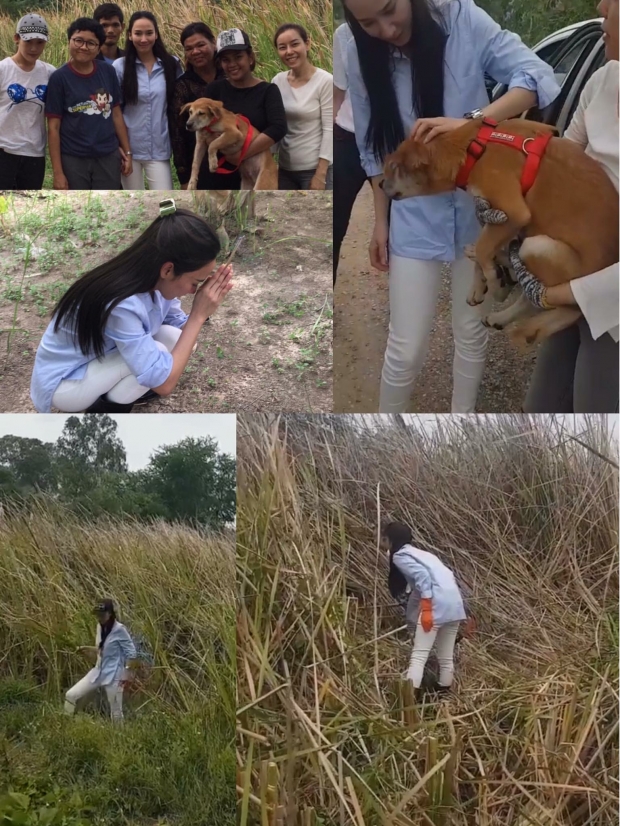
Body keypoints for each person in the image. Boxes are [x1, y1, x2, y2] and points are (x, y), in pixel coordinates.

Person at [344, 0, 560, 413]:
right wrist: (380, 220)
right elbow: (372, 142)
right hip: (414, 211)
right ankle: (388, 430)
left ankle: (463, 426)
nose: (386, 30)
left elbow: (536, 75)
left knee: (470, 330)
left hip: (480, 209)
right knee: (405, 346)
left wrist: (474, 121)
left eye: (391, 11)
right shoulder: (355, 49)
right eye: (368, 22)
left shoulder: (461, 18)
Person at [499, 0, 618, 413]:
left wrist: (551, 295)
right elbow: (560, 163)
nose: (602, 6)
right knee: (541, 410)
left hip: (611, 304)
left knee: (595, 417)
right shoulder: (604, 79)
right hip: (581, 266)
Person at [30, 200, 233, 414]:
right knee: (160, 355)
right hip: (67, 381)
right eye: (195, 282)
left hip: (101, 357)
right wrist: (198, 316)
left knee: (176, 340)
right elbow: (164, 385)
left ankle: (119, 393)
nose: (194, 291)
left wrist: (205, 306)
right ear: (168, 270)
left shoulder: (154, 280)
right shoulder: (122, 303)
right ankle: (104, 413)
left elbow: (180, 328)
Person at [45, 17, 132, 190]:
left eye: (91, 43)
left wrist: (127, 152)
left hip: (107, 154)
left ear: (98, 48)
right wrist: (58, 173)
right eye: (78, 41)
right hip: (73, 157)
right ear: (69, 41)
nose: (84, 47)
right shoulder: (59, 78)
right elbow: (53, 128)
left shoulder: (107, 71)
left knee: (108, 204)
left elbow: (116, 114)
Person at [382, 521, 466, 700]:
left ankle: (409, 699)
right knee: (446, 656)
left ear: (390, 540)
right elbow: (439, 578)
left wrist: (427, 608)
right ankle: (443, 695)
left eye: (384, 539)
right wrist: (412, 618)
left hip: (436, 604)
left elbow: (422, 578)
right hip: (454, 603)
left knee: (419, 655)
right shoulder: (423, 554)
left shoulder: (399, 556)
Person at [202, 28, 287, 190]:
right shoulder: (214, 90)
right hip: (221, 171)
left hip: (256, 171)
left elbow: (278, 128)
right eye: (226, 60)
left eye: (238, 57)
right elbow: (204, 127)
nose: (232, 64)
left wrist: (241, 155)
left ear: (250, 57)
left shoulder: (268, 91)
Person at [113, 12, 182, 190]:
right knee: (132, 200)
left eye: (149, 33)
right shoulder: (119, 67)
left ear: (156, 34)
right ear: (129, 35)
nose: (143, 39)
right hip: (129, 148)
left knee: (165, 197)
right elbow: (115, 111)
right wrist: (121, 147)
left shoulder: (171, 64)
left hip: (159, 148)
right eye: (138, 33)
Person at [170, 22, 235, 190]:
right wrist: (184, 176)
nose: (195, 52)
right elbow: (178, 134)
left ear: (213, 44)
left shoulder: (232, 76)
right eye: (189, 48)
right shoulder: (182, 85)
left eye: (200, 45)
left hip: (235, 155)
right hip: (201, 161)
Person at [271, 23, 333, 190]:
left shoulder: (325, 81)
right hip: (285, 171)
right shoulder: (277, 81)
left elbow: (329, 129)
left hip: (314, 170)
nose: (289, 51)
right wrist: (268, 164)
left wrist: (321, 174)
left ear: (307, 44)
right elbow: (275, 126)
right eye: (282, 47)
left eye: (295, 44)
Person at [0, 14, 55, 189]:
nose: (34, 48)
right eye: (28, 41)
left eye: (39, 42)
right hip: (4, 150)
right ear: (17, 39)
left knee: (28, 208)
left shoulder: (49, 73)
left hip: (34, 154)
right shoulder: (3, 70)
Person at [65, 599, 138, 724]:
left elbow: (131, 653)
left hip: (115, 673)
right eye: (97, 615)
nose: (99, 618)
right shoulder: (99, 627)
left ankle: (119, 738)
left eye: (102, 615)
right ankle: (65, 723)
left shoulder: (120, 630)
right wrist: (87, 649)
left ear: (110, 614)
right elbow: (103, 649)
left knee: (116, 711)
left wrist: (125, 675)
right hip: (98, 671)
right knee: (71, 695)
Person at [333, 21, 367, 285]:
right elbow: (338, 89)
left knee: (399, 230)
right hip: (347, 136)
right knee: (334, 224)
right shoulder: (343, 33)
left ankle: (402, 309)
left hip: (392, 143)